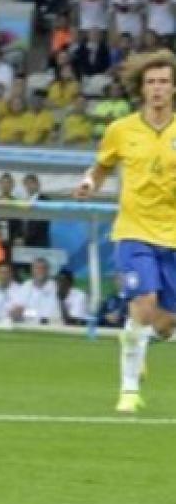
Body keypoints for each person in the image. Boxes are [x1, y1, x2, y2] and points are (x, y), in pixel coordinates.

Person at [75, 49, 176, 414]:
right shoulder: (122, 130)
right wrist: (89, 182)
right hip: (133, 230)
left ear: (174, 87)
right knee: (143, 305)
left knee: (164, 325)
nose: (158, 89)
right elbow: (101, 167)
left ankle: (139, 339)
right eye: (151, 82)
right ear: (141, 88)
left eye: (164, 82)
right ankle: (129, 391)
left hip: (174, 235)